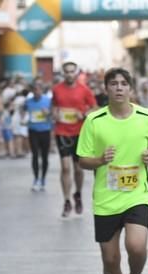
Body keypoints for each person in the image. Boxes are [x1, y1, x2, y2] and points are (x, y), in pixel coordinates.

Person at [77, 67, 148, 274]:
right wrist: (100, 160)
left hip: (137, 194)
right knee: (110, 259)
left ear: (131, 89)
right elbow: (83, 160)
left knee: (136, 247)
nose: (119, 88)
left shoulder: (147, 117)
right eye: (113, 83)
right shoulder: (94, 120)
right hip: (106, 199)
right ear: (106, 89)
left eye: (124, 83)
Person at [52, 61, 97, 217]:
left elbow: (94, 108)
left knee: (78, 168)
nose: (70, 74)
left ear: (76, 73)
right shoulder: (56, 90)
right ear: (63, 73)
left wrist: (84, 114)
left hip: (79, 132)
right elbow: (54, 106)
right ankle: (66, 201)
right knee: (65, 167)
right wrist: (55, 113)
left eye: (72, 71)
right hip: (62, 131)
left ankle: (77, 194)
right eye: (67, 72)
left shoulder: (84, 90)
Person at [24, 81, 53, 191]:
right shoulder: (28, 101)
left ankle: (43, 179)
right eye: (34, 90)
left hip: (45, 131)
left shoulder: (48, 100)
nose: (36, 92)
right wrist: (23, 118)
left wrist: (48, 113)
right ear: (32, 91)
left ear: (42, 90)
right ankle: (36, 179)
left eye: (38, 89)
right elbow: (23, 111)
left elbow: (53, 114)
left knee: (44, 156)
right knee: (35, 155)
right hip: (33, 131)